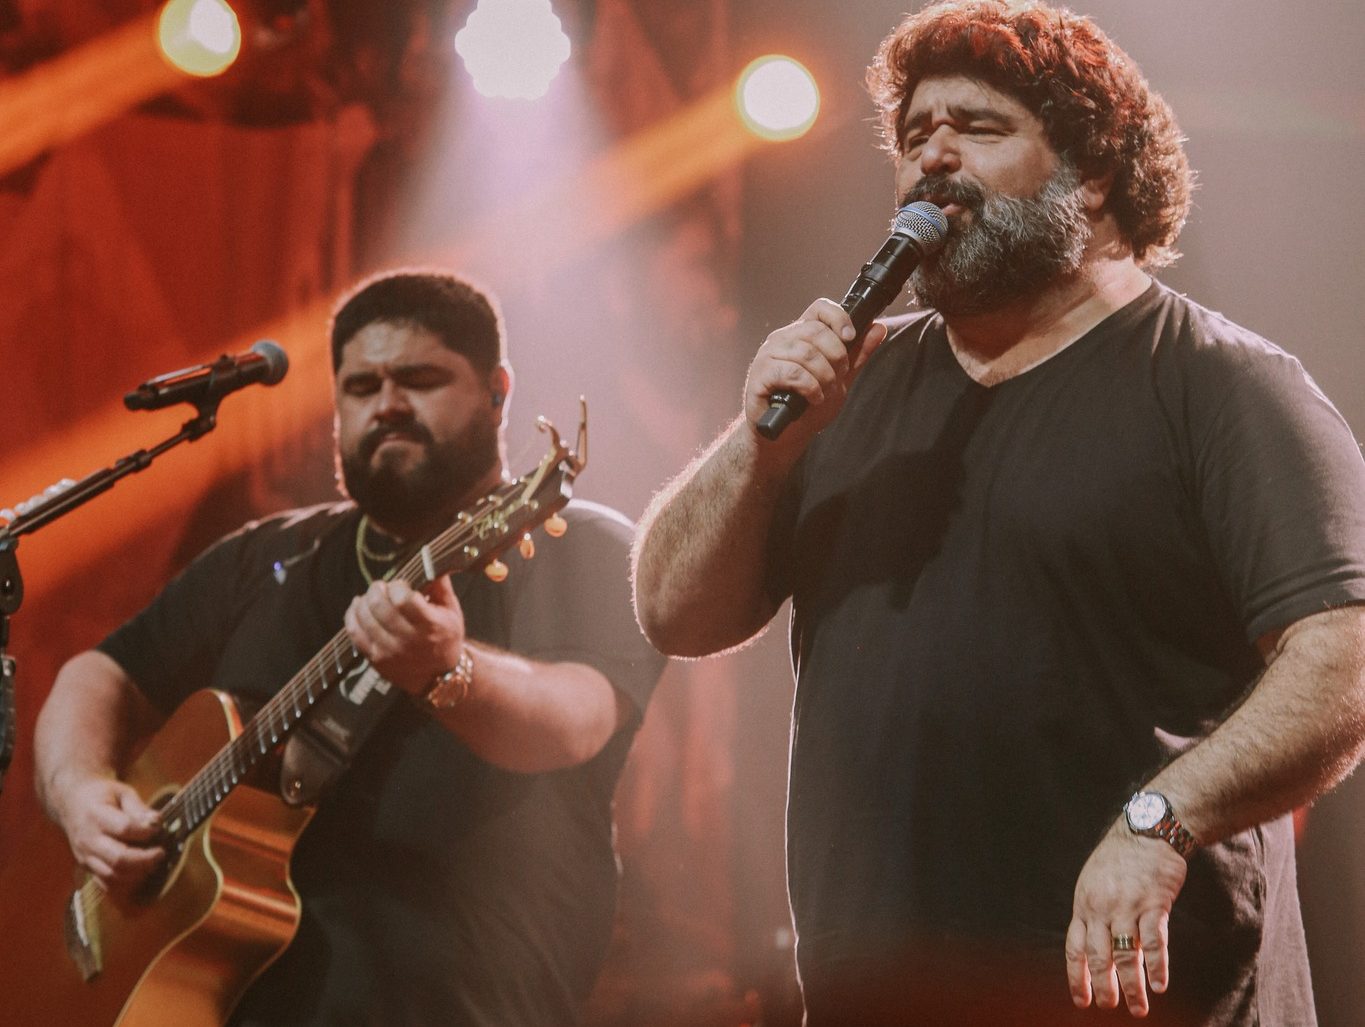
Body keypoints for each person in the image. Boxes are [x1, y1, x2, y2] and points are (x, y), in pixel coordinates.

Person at [632, 3, 1365, 1024]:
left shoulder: (1220, 385)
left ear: (1094, 174)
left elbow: (1343, 659)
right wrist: (760, 448)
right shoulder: (855, 379)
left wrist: (1162, 818)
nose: (932, 160)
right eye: (914, 137)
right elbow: (673, 611)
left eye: (977, 129)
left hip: (1148, 996)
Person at [34, 270, 667, 1025]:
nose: (387, 403)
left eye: (420, 378)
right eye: (360, 386)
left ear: (498, 392)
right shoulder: (268, 554)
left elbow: (575, 719)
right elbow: (99, 671)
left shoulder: (581, 545)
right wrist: (79, 793)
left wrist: (447, 671)